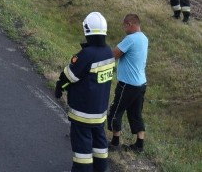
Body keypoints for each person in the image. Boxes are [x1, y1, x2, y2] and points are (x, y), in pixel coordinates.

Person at [55, 12, 116, 172]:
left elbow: (70, 75)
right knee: (99, 144)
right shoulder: (109, 52)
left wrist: (60, 85)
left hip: (83, 112)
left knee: (82, 148)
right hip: (100, 112)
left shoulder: (87, 54)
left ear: (87, 30)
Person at [107, 13, 148, 152]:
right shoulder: (144, 38)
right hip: (141, 84)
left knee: (115, 111)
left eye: (124, 25)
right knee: (136, 113)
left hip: (127, 84)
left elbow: (114, 55)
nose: (124, 28)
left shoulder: (130, 39)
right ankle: (139, 145)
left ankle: (114, 142)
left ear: (130, 24)